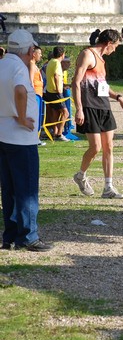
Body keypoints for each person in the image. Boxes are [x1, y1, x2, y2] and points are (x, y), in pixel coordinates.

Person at [0, 29, 53, 251]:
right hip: (21, 139)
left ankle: (10, 236)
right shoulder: (19, 68)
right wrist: (21, 117)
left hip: (3, 133)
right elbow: (21, 91)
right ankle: (29, 236)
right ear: (30, 50)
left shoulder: (2, 63)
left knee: (9, 188)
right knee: (27, 188)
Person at [71, 29, 123, 199]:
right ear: (109, 43)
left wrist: (119, 97)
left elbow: (102, 87)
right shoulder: (87, 55)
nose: (115, 50)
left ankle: (108, 187)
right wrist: (79, 108)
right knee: (96, 147)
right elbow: (75, 82)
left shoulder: (102, 61)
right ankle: (81, 175)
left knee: (109, 146)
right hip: (89, 107)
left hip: (104, 107)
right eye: (116, 46)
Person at [43, 46, 70, 141]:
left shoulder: (50, 62)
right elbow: (56, 76)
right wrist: (59, 89)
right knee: (65, 113)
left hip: (49, 91)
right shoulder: (57, 63)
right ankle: (59, 134)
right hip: (55, 91)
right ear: (62, 54)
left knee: (55, 113)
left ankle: (54, 132)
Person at [28, 45, 44, 136]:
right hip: (35, 95)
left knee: (38, 117)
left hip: (39, 94)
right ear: (34, 54)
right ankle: (33, 136)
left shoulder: (34, 65)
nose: (41, 55)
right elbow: (30, 80)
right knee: (34, 117)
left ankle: (35, 136)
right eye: (39, 53)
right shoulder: (31, 64)